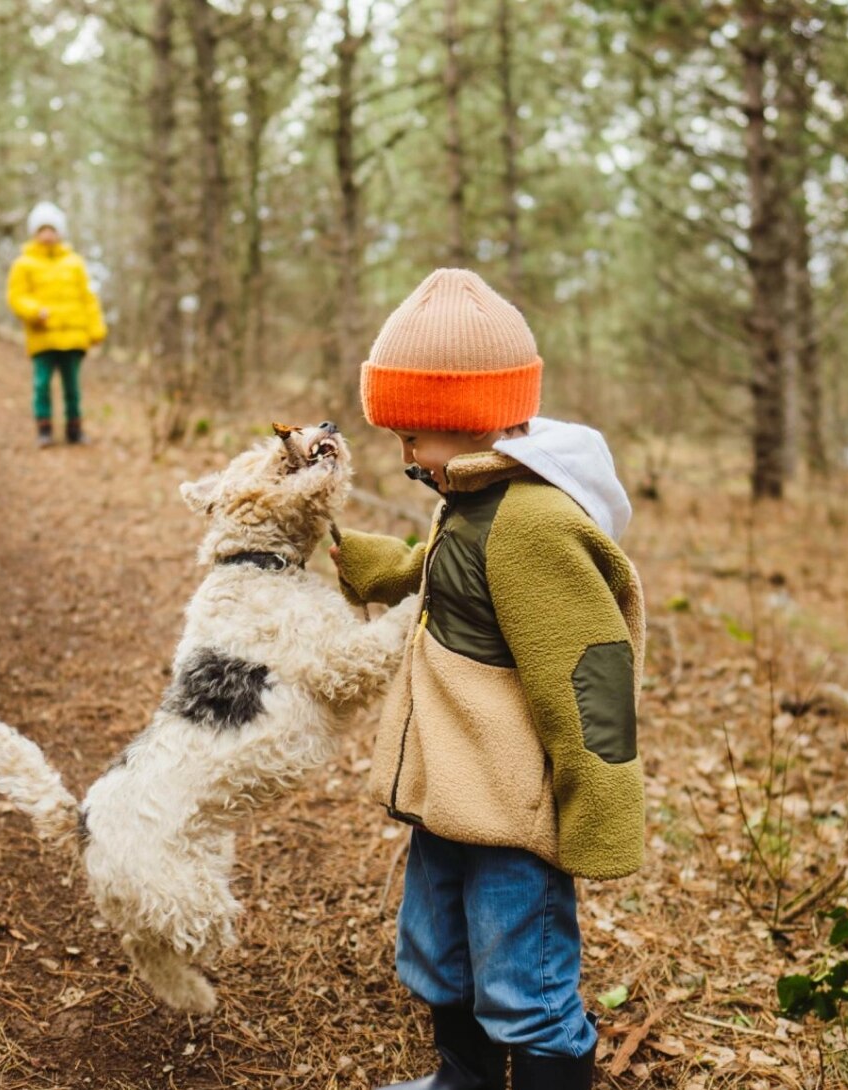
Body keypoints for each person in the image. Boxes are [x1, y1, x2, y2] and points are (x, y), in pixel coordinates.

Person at [330, 269, 644, 1090]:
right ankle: (460, 1081)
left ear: (465, 421)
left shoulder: (534, 523)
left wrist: (600, 807)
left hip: (511, 812)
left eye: (412, 437)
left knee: (524, 985)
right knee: (438, 954)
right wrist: (371, 565)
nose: (403, 455)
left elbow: (590, 674)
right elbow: (439, 569)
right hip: (451, 793)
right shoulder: (468, 494)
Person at [5, 201, 107, 446]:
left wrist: (96, 329)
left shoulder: (75, 263)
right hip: (43, 336)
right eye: (43, 229)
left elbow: (88, 299)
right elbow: (16, 296)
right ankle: (44, 429)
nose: (48, 234)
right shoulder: (24, 263)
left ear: (60, 232)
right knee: (41, 385)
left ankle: (74, 429)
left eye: (52, 229)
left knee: (72, 387)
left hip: (73, 338)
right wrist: (33, 311)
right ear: (35, 233)